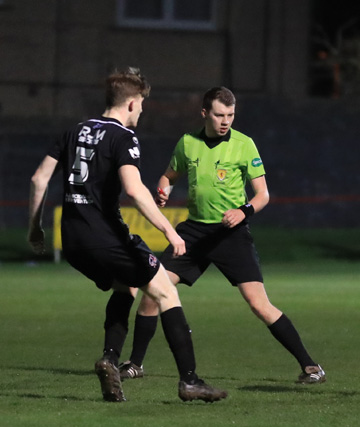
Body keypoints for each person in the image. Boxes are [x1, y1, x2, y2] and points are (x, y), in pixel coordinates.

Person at [26, 68, 227, 403]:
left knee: (127, 285)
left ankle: (109, 358)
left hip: (73, 242)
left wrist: (35, 228)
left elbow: (37, 180)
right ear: (132, 104)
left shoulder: (73, 130)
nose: (144, 111)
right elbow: (134, 190)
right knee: (165, 292)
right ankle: (190, 381)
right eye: (143, 104)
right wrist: (168, 231)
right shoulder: (122, 137)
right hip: (106, 237)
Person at [120, 86, 326, 385]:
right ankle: (135, 364)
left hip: (231, 235)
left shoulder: (244, 145)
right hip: (193, 233)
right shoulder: (188, 143)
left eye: (230, 115)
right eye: (219, 115)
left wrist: (244, 211)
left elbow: (263, 195)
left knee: (258, 304)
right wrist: (164, 188)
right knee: (153, 292)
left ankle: (310, 366)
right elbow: (169, 175)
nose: (225, 120)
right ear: (205, 113)